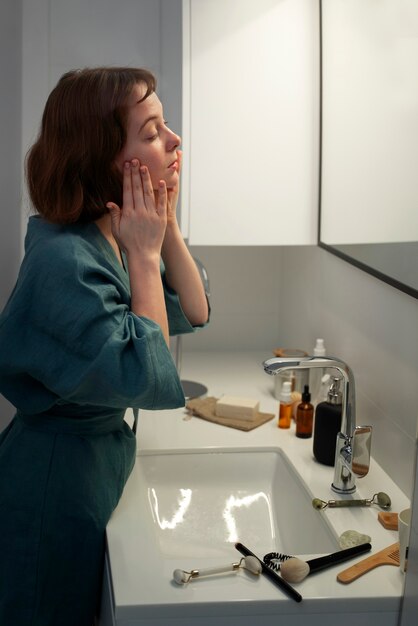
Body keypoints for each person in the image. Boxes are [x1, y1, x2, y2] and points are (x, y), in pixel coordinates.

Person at [0, 67, 209, 626]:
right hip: (53, 484)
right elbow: (150, 372)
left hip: (91, 466)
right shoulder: (63, 260)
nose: (174, 141)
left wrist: (165, 224)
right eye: (152, 132)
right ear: (103, 158)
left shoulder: (106, 231)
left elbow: (193, 309)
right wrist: (144, 258)